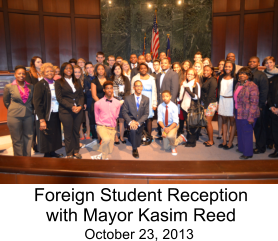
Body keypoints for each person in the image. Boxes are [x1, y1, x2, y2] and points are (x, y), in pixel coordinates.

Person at [33, 63, 63, 158]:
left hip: (55, 112)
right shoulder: (40, 84)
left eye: (51, 71)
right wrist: (41, 119)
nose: (50, 72)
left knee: (54, 133)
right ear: (43, 73)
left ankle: (53, 151)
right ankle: (47, 154)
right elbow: (37, 103)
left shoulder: (56, 83)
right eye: (47, 71)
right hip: (45, 114)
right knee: (46, 134)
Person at [55, 63, 84, 159]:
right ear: (63, 70)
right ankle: (69, 153)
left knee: (76, 131)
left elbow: (81, 95)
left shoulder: (77, 81)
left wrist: (79, 106)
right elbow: (59, 98)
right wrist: (71, 106)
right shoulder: (59, 82)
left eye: (70, 68)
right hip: (66, 111)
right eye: (66, 68)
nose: (69, 70)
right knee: (68, 132)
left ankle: (76, 151)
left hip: (78, 110)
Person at [3, 66, 34, 156]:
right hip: (14, 116)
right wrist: (13, 109)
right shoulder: (9, 87)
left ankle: (27, 157)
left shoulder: (31, 86)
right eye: (19, 73)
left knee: (28, 136)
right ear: (15, 75)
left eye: (23, 73)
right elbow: (6, 101)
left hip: (28, 115)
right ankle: (19, 159)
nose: (21, 75)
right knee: (17, 138)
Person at [235, 67, 260, 159]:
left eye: (245, 73)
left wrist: (251, 117)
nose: (242, 75)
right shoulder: (238, 84)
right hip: (238, 111)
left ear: (249, 75)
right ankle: (241, 148)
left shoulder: (252, 86)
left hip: (248, 113)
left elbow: (254, 102)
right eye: (240, 73)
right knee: (240, 131)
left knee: (247, 132)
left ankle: (248, 153)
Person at [94, 81, 121, 160]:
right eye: (107, 88)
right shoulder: (98, 103)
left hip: (112, 128)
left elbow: (116, 116)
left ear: (113, 90)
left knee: (109, 150)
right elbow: (96, 116)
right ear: (104, 90)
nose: (109, 90)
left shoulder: (117, 103)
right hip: (101, 126)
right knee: (106, 139)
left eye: (111, 88)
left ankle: (95, 147)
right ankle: (103, 157)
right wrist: (99, 126)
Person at [122, 80, 149, 159]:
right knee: (134, 132)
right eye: (136, 86)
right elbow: (124, 112)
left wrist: (138, 122)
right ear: (133, 87)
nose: (138, 87)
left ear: (142, 87)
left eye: (140, 86)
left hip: (140, 123)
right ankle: (134, 149)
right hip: (131, 122)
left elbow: (146, 114)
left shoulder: (146, 99)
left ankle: (132, 137)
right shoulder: (127, 98)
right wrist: (131, 122)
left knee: (138, 142)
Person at [249, 56, 269, 154]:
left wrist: (260, 105)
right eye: (250, 62)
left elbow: (264, 91)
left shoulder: (261, 75)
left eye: (254, 62)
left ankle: (260, 148)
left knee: (260, 127)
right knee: (251, 126)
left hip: (258, 106)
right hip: (248, 106)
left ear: (258, 64)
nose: (251, 63)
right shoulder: (247, 74)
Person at [158, 91, 187, 156]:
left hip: (173, 125)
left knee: (170, 136)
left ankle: (173, 147)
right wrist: (164, 129)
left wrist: (168, 129)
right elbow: (159, 120)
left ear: (170, 96)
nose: (165, 98)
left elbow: (175, 121)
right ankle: (181, 138)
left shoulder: (174, 106)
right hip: (164, 126)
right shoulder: (160, 106)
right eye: (163, 96)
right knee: (166, 147)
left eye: (167, 96)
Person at [131, 63, 157, 135]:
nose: (143, 69)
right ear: (139, 69)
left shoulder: (152, 78)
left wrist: (154, 103)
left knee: (148, 118)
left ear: (147, 69)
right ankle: (139, 135)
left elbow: (154, 91)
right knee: (139, 117)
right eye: (141, 68)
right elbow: (132, 90)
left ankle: (149, 136)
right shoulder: (135, 78)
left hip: (149, 99)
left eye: (145, 68)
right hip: (138, 99)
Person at [218, 61, 237, 150]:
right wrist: (218, 101)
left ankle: (230, 142)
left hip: (231, 101)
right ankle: (224, 141)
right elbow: (218, 89)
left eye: (229, 66)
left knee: (232, 122)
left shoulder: (235, 78)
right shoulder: (221, 76)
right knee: (224, 121)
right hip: (222, 99)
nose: (227, 68)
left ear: (233, 67)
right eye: (226, 66)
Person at [26, 56, 43, 153]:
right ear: (33, 63)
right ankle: (34, 144)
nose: (40, 64)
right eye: (38, 62)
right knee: (34, 125)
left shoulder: (44, 73)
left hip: (44, 101)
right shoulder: (30, 74)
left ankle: (41, 143)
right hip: (34, 101)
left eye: (41, 62)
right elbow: (30, 88)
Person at [180, 68, 201, 148]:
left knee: (192, 125)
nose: (189, 75)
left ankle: (192, 142)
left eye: (192, 74)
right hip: (185, 107)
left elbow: (197, 97)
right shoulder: (185, 83)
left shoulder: (196, 84)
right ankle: (189, 140)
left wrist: (188, 90)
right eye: (188, 74)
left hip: (192, 108)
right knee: (188, 125)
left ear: (195, 75)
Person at [111, 63, 131, 144]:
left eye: (118, 68)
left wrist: (123, 100)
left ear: (121, 69)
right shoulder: (110, 79)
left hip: (123, 102)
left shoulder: (125, 79)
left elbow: (128, 91)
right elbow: (109, 91)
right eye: (115, 69)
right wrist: (114, 100)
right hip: (113, 102)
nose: (117, 70)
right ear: (113, 71)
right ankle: (116, 136)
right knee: (115, 120)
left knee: (122, 120)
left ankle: (121, 136)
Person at [264, 56, 278, 157]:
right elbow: (267, 93)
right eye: (267, 63)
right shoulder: (263, 76)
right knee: (273, 128)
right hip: (270, 105)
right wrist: (271, 106)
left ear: (274, 63)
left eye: (271, 62)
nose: (269, 64)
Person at [201, 66, 218, 147]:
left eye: (207, 70)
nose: (205, 72)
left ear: (211, 71)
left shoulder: (213, 80)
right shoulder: (206, 79)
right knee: (207, 123)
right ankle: (209, 139)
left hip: (210, 104)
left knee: (208, 123)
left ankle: (211, 141)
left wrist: (205, 107)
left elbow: (210, 95)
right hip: (206, 103)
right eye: (204, 70)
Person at [90, 64, 106, 140]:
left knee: (106, 120)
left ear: (104, 70)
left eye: (102, 69)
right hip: (97, 103)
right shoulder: (94, 81)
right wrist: (101, 104)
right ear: (96, 71)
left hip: (107, 102)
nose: (101, 70)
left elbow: (110, 92)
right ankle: (97, 138)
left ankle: (105, 137)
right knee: (97, 122)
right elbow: (94, 95)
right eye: (99, 69)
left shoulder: (108, 79)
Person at [74, 65, 89, 140]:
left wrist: (83, 103)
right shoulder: (71, 81)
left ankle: (80, 134)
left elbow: (83, 94)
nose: (77, 74)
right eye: (75, 72)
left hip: (80, 103)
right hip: (73, 104)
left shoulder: (81, 81)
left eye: (79, 72)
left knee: (80, 120)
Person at [84, 62, 95, 139]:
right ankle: (91, 133)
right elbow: (86, 91)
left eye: (90, 67)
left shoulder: (98, 77)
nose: (89, 69)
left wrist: (92, 89)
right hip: (89, 99)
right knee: (90, 117)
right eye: (87, 68)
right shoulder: (85, 79)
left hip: (98, 99)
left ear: (93, 68)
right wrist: (93, 90)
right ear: (85, 69)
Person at [216, 60, 226, 140]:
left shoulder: (227, 75)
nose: (220, 66)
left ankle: (225, 132)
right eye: (219, 64)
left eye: (222, 64)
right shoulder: (217, 75)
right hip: (218, 96)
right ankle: (219, 132)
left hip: (226, 97)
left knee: (226, 116)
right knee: (219, 115)